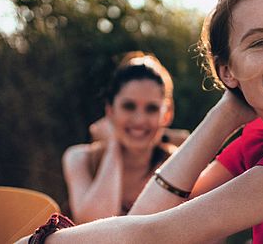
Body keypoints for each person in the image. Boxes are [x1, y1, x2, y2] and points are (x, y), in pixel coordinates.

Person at [17, 0, 263, 244]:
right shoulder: (262, 140)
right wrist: (226, 113)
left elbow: (156, 234)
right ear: (226, 71)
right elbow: (147, 218)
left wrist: (40, 241)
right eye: (261, 42)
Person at [62, 51, 180, 223]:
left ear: (167, 114)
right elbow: (94, 228)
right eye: (129, 106)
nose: (139, 120)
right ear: (110, 110)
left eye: (152, 108)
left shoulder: (177, 163)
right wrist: (112, 148)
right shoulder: (79, 158)